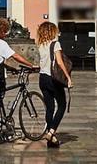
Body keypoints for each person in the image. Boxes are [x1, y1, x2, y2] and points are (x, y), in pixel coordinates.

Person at [36, 21, 72, 149]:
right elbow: (60, 62)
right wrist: (68, 78)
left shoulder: (40, 44)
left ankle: (51, 140)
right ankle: (51, 132)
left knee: (50, 108)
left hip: (42, 78)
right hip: (53, 79)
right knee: (62, 105)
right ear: (52, 31)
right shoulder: (55, 44)